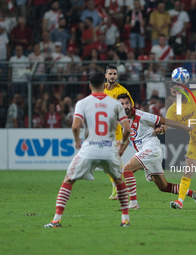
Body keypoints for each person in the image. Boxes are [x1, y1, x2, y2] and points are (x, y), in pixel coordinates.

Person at [44, 73, 132, 228]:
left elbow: (75, 126)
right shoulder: (115, 104)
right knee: (119, 181)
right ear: (103, 85)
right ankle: (125, 219)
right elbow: (127, 128)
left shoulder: (82, 103)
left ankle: (56, 219)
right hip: (109, 149)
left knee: (69, 180)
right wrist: (123, 144)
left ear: (90, 86)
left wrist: (77, 140)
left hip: (90, 148)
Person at [117, 93, 196, 209]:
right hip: (147, 150)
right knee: (163, 186)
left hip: (151, 148)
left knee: (127, 169)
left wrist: (186, 128)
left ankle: (133, 203)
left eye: (127, 103)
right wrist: (121, 150)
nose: (125, 106)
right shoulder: (122, 118)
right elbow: (127, 134)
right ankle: (195, 194)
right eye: (121, 104)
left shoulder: (142, 115)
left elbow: (165, 121)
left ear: (131, 104)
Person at [104, 65, 134, 200]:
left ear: (117, 75)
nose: (112, 76)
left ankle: (119, 187)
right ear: (106, 75)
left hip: (116, 129)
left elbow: (130, 108)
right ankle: (117, 186)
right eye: (110, 74)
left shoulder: (122, 91)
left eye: (114, 74)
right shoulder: (100, 89)